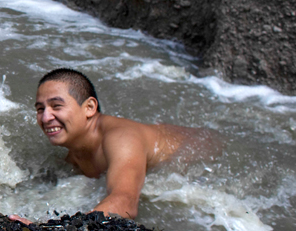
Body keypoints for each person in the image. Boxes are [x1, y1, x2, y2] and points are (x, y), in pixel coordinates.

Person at [33, 68, 218, 219]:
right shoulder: (74, 148)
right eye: (40, 109)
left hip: (207, 153)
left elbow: (126, 202)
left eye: (56, 106)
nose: (46, 117)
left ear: (89, 108)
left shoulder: (121, 139)